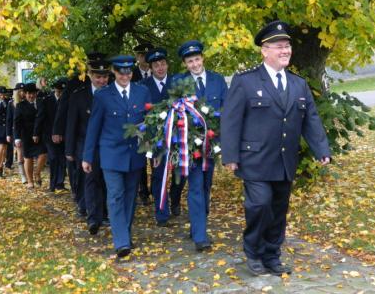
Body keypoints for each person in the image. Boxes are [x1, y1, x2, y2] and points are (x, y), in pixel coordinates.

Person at [221, 20, 331, 276]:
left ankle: (272, 255)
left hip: (284, 160)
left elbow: (311, 119)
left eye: (288, 46)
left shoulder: (298, 84)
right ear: (264, 50)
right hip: (255, 159)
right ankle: (254, 252)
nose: (285, 51)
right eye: (279, 46)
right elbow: (231, 120)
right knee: (260, 205)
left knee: (279, 210)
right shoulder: (245, 81)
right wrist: (230, 156)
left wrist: (321, 149)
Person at [82, 55, 151, 258]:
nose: (125, 75)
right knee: (115, 195)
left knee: (130, 196)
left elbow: (149, 125)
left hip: (134, 154)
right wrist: (87, 156)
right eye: (121, 72)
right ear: (114, 72)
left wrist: (152, 150)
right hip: (111, 154)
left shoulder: (142, 92)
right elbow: (93, 128)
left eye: (128, 72)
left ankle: (124, 234)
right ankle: (121, 241)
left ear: (132, 72)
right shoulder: (103, 96)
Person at [173, 40, 228, 252]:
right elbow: (174, 111)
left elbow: (227, 107)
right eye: (190, 61)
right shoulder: (179, 82)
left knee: (206, 185)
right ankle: (200, 236)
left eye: (197, 59)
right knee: (195, 186)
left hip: (212, 143)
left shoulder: (217, 80)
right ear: (185, 64)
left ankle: (198, 223)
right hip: (190, 143)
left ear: (202, 58)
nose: (194, 64)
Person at [65, 57, 111, 233]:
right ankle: (93, 218)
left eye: (105, 76)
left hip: (107, 145)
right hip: (85, 145)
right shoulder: (79, 95)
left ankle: (105, 213)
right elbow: (72, 123)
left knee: (106, 180)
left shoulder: (113, 94)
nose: (101, 80)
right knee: (90, 180)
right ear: (90, 75)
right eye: (98, 76)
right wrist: (69, 149)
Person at [141, 47, 175, 227]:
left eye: (162, 64)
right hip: (156, 139)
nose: (160, 68)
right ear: (151, 68)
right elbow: (142, 116)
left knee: (181, 173)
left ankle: (175, 199)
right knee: (159, 175)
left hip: (179, 136)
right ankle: (162, 212)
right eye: (156, 65)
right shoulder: (144, 86)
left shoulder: (178, 82)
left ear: (167, 64)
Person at [35, 78, 67, 192]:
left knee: (62, 159)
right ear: (55, 89)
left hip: (63, 136)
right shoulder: (47, 100)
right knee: (53, 158)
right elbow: (40, 117)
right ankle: (53, 184)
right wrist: (36, 133)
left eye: (62, 91)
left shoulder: (67, 100)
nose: (60, 93)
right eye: (58, 90)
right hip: (49, 134)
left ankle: (60, 183)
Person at [14, 83, 48, 189]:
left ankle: (37, 173)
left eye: (33, 93)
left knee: (43, 154)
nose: (31, 96)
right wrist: (17, 138)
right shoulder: (20, 105)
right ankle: (30, 181)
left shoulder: (42, 102)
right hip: (26, 135)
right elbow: (16, 123)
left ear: (36, 93)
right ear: (25, 94)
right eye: (28, 93)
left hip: (40, 134)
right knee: (28, 158)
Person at [132, 42, 154, 206]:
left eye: (147, 55)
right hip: (138, 122)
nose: (144, 58)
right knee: (140, 160)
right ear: (137, 57)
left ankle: (155, 187)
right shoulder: (131, 74)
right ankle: (143, 190)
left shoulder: (159, 71)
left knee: (155, 158)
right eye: (141, 55)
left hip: (156, 123)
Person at [7, 82, 27, 183]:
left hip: (27, 130)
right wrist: (8, 134)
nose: (22, 93)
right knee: (20, 152)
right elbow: (9, 120)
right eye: (21, 91)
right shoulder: (12, 103)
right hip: (17, 131)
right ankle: (23, 175)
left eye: (24, 91)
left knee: (26, 153)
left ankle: (28, 173)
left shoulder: (27, 102)